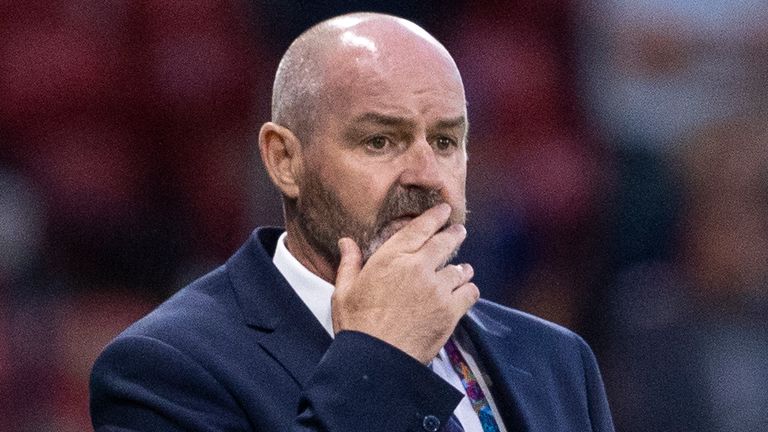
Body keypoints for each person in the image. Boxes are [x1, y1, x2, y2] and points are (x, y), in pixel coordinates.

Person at [90, 12, 614, 432]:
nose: (426, 175)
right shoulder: (166, 370)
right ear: (284, 161)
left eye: (446, 141)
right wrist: (380, 360)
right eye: (380, 141)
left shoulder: (555, 361)